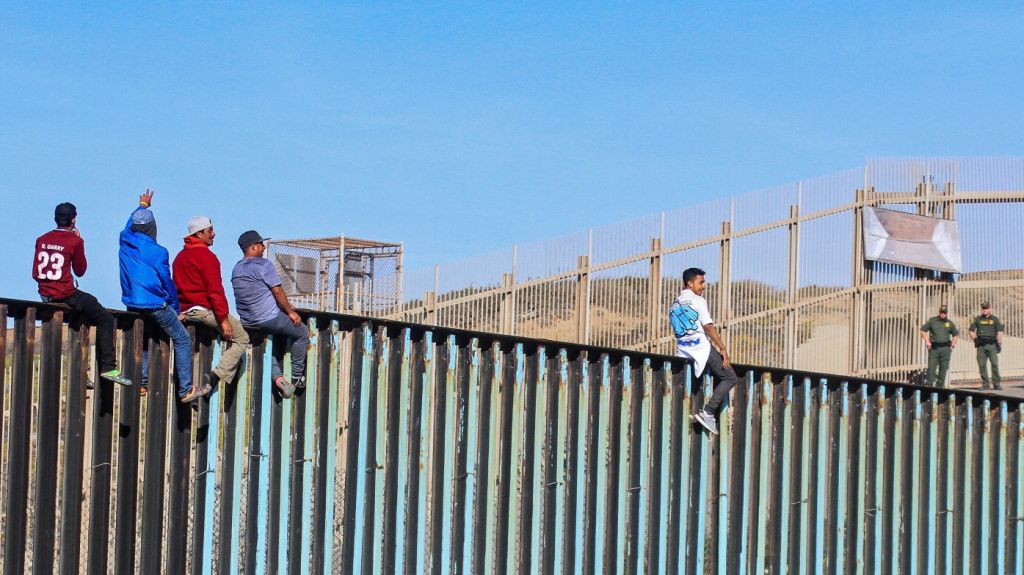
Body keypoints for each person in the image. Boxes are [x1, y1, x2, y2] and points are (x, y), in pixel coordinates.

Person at [119, 190, 210, 403]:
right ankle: (186, 389)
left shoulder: (125, 239)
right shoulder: (159, 251)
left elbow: (128, 224)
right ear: (153, 228)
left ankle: (142, 384)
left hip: (131, 302)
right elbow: (166, 282)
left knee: (143, 340)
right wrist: (175, 307)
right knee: (182, 338)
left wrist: (142, 206)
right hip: (153, 304)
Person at [32, 202, 132, 388]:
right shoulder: (74, 241)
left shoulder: (42, 239)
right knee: (104, 318)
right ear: (73, 219)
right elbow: (80, 270)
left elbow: (35, 272)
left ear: (55, 218)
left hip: (45, 294)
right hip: (65, 294)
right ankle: (108, 367)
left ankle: (80, 371)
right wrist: (78, 241)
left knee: (81, 317)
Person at [173, 216, 250, 387]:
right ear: (199, 233)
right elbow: (215, 291)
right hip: (203, 311)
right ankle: (216, 376)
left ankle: (193, 391)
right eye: (210, 230)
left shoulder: (180, 257)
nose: (213, 234)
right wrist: (223, 321)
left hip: (186, 311)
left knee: (197, 350)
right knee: (242, 338)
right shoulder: (207, 257)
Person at [231, 230, 307, 399]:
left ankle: (278, 378)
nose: (263, 247)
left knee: (270, 340)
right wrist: (290, 311)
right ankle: (297, 378)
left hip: (247, 321)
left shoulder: (237, 268)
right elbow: (277, 291)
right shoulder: (263, 264)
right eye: (260, 244)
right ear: (252, 247)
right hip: (268, 318)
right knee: (301, 333)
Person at [669, 267, 739, 435]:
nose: (704, 286)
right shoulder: (698, 301)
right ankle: (708, 412)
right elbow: (708, 327)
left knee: (692, 386)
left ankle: (682, 417)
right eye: (701, 282)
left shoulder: (674, 305)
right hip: (701, 348)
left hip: (683, 351)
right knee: (730, 377)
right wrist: (722, 348)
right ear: (690, 283)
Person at [919, 305, 958, 388]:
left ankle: (940, 386)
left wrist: (953, 345)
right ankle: (930, 386)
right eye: (941, 312)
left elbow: (955, 334)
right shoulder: (932, 321)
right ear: (939, 312)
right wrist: (927, 342)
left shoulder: (949, 323)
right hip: (934, 348)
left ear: (946, 313)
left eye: (944, 313)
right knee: (932, 367)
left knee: (944, 368)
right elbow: (923, 331)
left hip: (946, 348)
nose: (942, 314)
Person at [969, 302, 1004, 390]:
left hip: (992, 345)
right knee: (982, 365)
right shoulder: (978, 319)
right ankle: (985, 384)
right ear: (982, 309)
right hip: (981, 346)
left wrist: (999, 343)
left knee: (995, 364)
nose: (985, 310)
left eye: (986, 308)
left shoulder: (995, 319)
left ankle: (996, 383)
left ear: (989, 309)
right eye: (983, 308)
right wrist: (975, 340)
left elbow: (1000, 331)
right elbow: (971, 331)